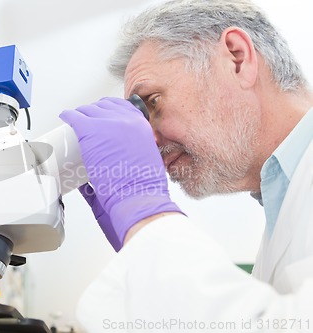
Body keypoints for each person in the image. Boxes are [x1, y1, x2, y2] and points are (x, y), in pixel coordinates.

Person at [59, 0, 313, 331]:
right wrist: (141, 252)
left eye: (151, 102)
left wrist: (146, 216)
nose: (148, 141)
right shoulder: (284, 201)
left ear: (237, 58)